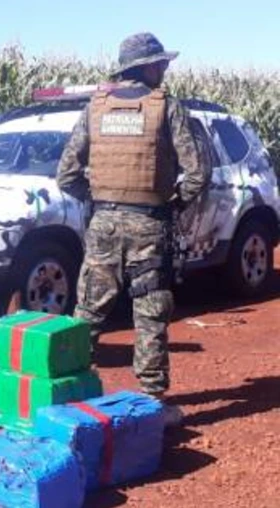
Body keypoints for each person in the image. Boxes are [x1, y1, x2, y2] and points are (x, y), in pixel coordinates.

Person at [56, 33, 211, 426]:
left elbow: (67, 174)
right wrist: (172, 203)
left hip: (104, 222)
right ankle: (152, 401)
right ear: (145, 67)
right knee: (150, 311)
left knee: (88, 311)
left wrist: (98, 201)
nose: (164, 70)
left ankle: (67, 396)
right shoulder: (166, 107)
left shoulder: (95, 108)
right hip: (149, 224)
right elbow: (197, 173)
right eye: (160, 63)